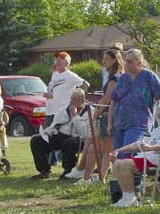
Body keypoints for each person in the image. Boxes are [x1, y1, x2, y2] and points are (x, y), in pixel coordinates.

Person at [110, 102, 160, 208]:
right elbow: (139, 144)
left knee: (125, 164)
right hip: (148, 159)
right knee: (117, 163)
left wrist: (152, 148)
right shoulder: (157, 131)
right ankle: (126, 197)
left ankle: (131, 199)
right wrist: (119, 150)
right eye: (159, 116)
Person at [72, 49, 124, 185]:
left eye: (106, 59)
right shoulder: (113, 77)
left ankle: (99, 177)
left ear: (114, 60)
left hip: (109, 116)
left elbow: (106, 99)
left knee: (106, 150)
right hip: (108, 115)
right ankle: (91, 176)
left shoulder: (115, 78)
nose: (103, 62)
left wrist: (95, 114)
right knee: (97, 147)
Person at [109, 49, 160, 155]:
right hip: (119, 123)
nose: (126, 64)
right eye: (126, 61)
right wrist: (110, 123)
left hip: (139, 123)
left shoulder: (149, 76)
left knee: (126, 154)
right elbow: (113, 101)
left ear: (139, 62)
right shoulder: (123, 78)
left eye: (130, 61)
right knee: (118, 157)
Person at [30, 89, 90, 179]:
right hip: (61, 135)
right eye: (71, 99)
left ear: (82, 100)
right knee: (36, 140)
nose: (72, 102)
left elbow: (85, 132)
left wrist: (75, 116)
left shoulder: (89, 112)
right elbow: (54, 126)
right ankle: (44, 170)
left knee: (71, 142)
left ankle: (68, 170)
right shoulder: (63, 110)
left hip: (78, 139)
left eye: (74, 100)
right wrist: (47, 132)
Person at [44, 51, 89, 127]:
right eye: (56, 59)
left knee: (59, 136)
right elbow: (54, 90)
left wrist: (78, 97)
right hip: (51, 111)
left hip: (62, 112)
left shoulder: (70, 75)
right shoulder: (54, 75)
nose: (57, 61)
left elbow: (86, 84)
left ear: (66, 63)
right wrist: (49, 95)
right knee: (47, 136)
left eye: (60, 59)